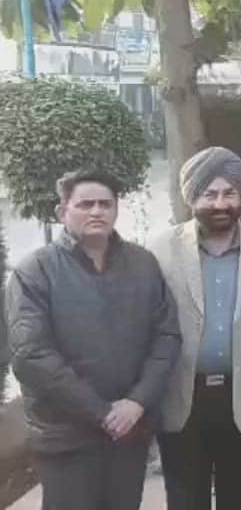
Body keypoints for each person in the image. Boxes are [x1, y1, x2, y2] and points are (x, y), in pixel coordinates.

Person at [6, 168, 181, 510]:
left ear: (116, 209)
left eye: (105, 204)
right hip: (66, 439)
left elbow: (167, 335)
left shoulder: (142, 264)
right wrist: (102, 413)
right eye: (86, 204)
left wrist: (137, 402)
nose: (97, 212)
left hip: (129, 434)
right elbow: (31, 355)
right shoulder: (35, 271)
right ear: (62, 211)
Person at [148, 148, 241, 510]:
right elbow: (146, 328)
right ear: (192, 197)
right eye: (209, 194)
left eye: (229, 193)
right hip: (182, 396)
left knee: (240, 497)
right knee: (185, 499)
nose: (220, 203)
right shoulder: (160, 250)